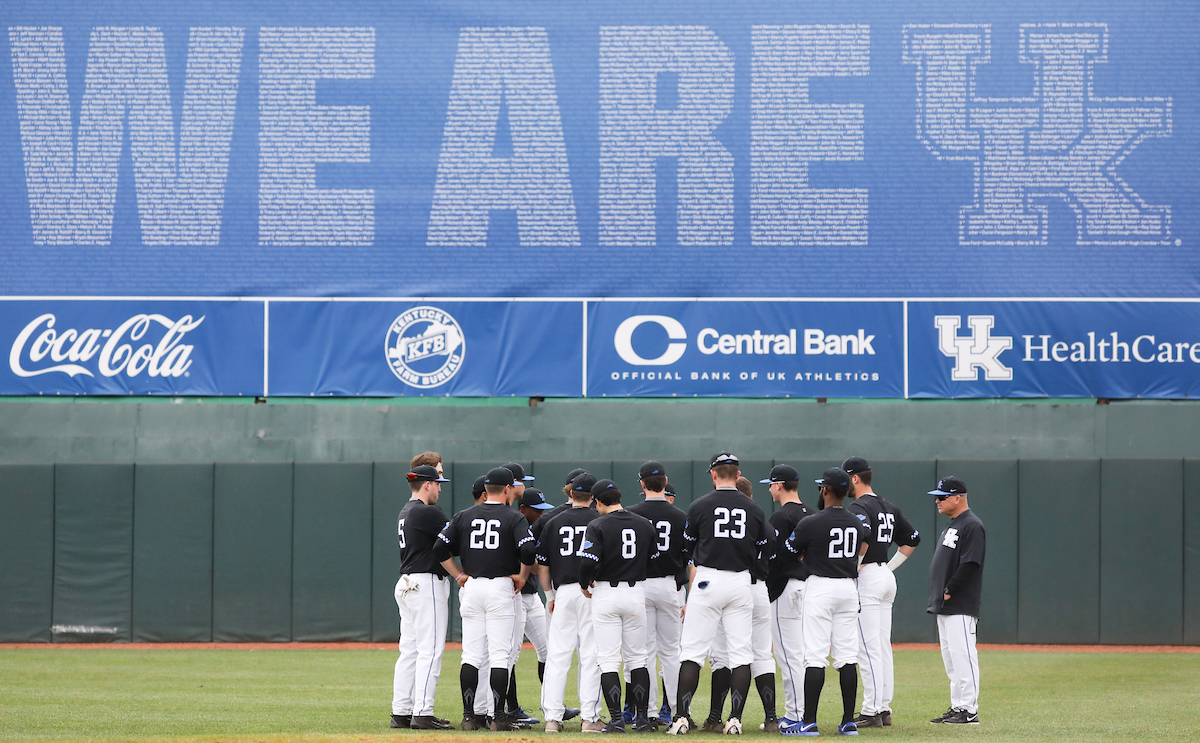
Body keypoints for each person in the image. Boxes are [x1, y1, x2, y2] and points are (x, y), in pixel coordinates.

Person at [667, 452, 771, 736]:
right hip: (740, 581)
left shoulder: (700, 505)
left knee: (692, 653)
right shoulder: (754, 508)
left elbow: (687, 549)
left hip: (707, 580)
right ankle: (735, 719)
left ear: (714, 474)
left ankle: (681, 718)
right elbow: (763, 548)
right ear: (738, 475)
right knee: (741, 655)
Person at [434, 467, 536, 731]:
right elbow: (527, 549)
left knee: (471, 654)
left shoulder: (464, 515)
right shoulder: (513, 518)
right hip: (500, 586)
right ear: (506, 490)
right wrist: (523, 576)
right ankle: (498, 717)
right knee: (500, 654)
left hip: (472, 587)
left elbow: (439, 547)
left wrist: (458, 575)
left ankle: (469, 716)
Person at [785, 467, 870, 737]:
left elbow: (790, 551)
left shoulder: (811, 521)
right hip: (848, 587)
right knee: (847, 656)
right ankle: (848, 721)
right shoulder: (857, 522)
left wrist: (807, 557)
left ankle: (809, 721)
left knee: (815, 656)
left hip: (820, 587)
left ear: (825, 490)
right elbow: (863, 548)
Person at [842, 457, 921, 728]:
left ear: (855, 478)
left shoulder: (859, 505)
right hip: (885, 576)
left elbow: (862, 537)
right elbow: (912, 539)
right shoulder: (888, 506)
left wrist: (854, 567)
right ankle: (883, 707)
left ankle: (872, 710)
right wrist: (889, 567)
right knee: (881, 645)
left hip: (869, 578)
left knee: (867, 647)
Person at [579, 478, 660, 732]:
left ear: (599, 501)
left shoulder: (597, 524)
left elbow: (587, 563)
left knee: (609, 659)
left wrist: (584, 583)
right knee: (638, 658)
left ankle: (616, 720)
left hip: (606, 592)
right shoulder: (644, 524)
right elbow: (654, 558)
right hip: (635, 592)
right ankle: (644, 720)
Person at [704, 477, 778, 733]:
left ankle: (716, 718)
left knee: (724, 656)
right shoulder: (764, 524)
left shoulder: (724, 522)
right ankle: (771, 718)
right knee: (760, 655)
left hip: (735, 588)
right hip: (759, 590)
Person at [536, 474, 605, 733]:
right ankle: (589, 718)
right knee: (591, 654)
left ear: (571, 493)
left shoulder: (553, 522)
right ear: (594, 497)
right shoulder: (600, 520)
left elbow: (542, 564)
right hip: (593, 591)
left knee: (557, 655)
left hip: (563, 591)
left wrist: (550, 596)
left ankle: (552, 718)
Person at [626, 461, 689, 725]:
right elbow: (689, 557)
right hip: (669, 586)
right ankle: (678, 712)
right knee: (672, 652)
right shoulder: (681, 516)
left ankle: (649, 712)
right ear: (665, 484)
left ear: (642, 484)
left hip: (640, 586)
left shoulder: (631, 514)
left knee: (645, 652)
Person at [390, 463, 453, 730]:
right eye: (438, 483)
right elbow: (456, 538)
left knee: (410, 651)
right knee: (430, 650)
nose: (440, 487)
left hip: (407, 583)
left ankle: (401, 712)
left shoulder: (407, 510)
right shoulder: (428, 512)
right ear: (427, 484)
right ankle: (423, 712)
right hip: (425, 584)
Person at [926, 476, 985, 726]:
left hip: (960, 603)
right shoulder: (954, 523)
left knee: (963, 656)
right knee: (951, 659)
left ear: (957, 497)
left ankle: (969, 710)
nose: (937, 501)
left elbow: (971, 563)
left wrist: (950, 589)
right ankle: (958, 705)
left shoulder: (972, 524)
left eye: (942, 496)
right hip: (946, 604)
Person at [760, 464, 812, 733]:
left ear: (779, 485)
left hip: (786, 589)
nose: (769, 489)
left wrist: (770, 591)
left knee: (789, 656)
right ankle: (801, 712)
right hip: (809, 587)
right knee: (800, 654)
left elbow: (775, 559)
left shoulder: (781, 517)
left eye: (770, 484)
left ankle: (795, 715)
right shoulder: (811, 513)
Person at [499, 462, 545, 726]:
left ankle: (553, 706)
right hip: (509, 593)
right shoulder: (507, 517)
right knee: (507, 653)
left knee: (549, 650)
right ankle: (507, 709)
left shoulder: (517, 518)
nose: (523, 485)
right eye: (520, 481)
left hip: (530, 595)